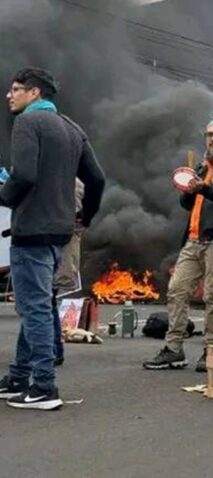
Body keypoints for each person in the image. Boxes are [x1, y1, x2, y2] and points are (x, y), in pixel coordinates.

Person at [0, 68, 105, 410]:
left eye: (16, 90)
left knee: (35, 309)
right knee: (41, 304)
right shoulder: (72, 128)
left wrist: (5, 194)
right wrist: (83, 217)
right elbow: (97, 179)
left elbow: (25, 175)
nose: (9, 96)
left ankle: (43, 386)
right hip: (60, 232)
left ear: (34, 93)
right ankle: (18, 377)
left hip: (31, 230)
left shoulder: (28, 124)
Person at [144, 118, 213, 372]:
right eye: (209, 134)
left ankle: (212, 350)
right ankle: (173, 349)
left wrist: (205, 188)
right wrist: (189, 191)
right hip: (194, 239)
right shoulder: (204, 166)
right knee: (176, 290)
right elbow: (188, 205)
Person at [52, 179, 85, 367]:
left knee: (41, 302)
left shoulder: (68, 178)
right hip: (54, 244)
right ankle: (53, 349)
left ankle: (51, 351)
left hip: (52, 245)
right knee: (46, 301)